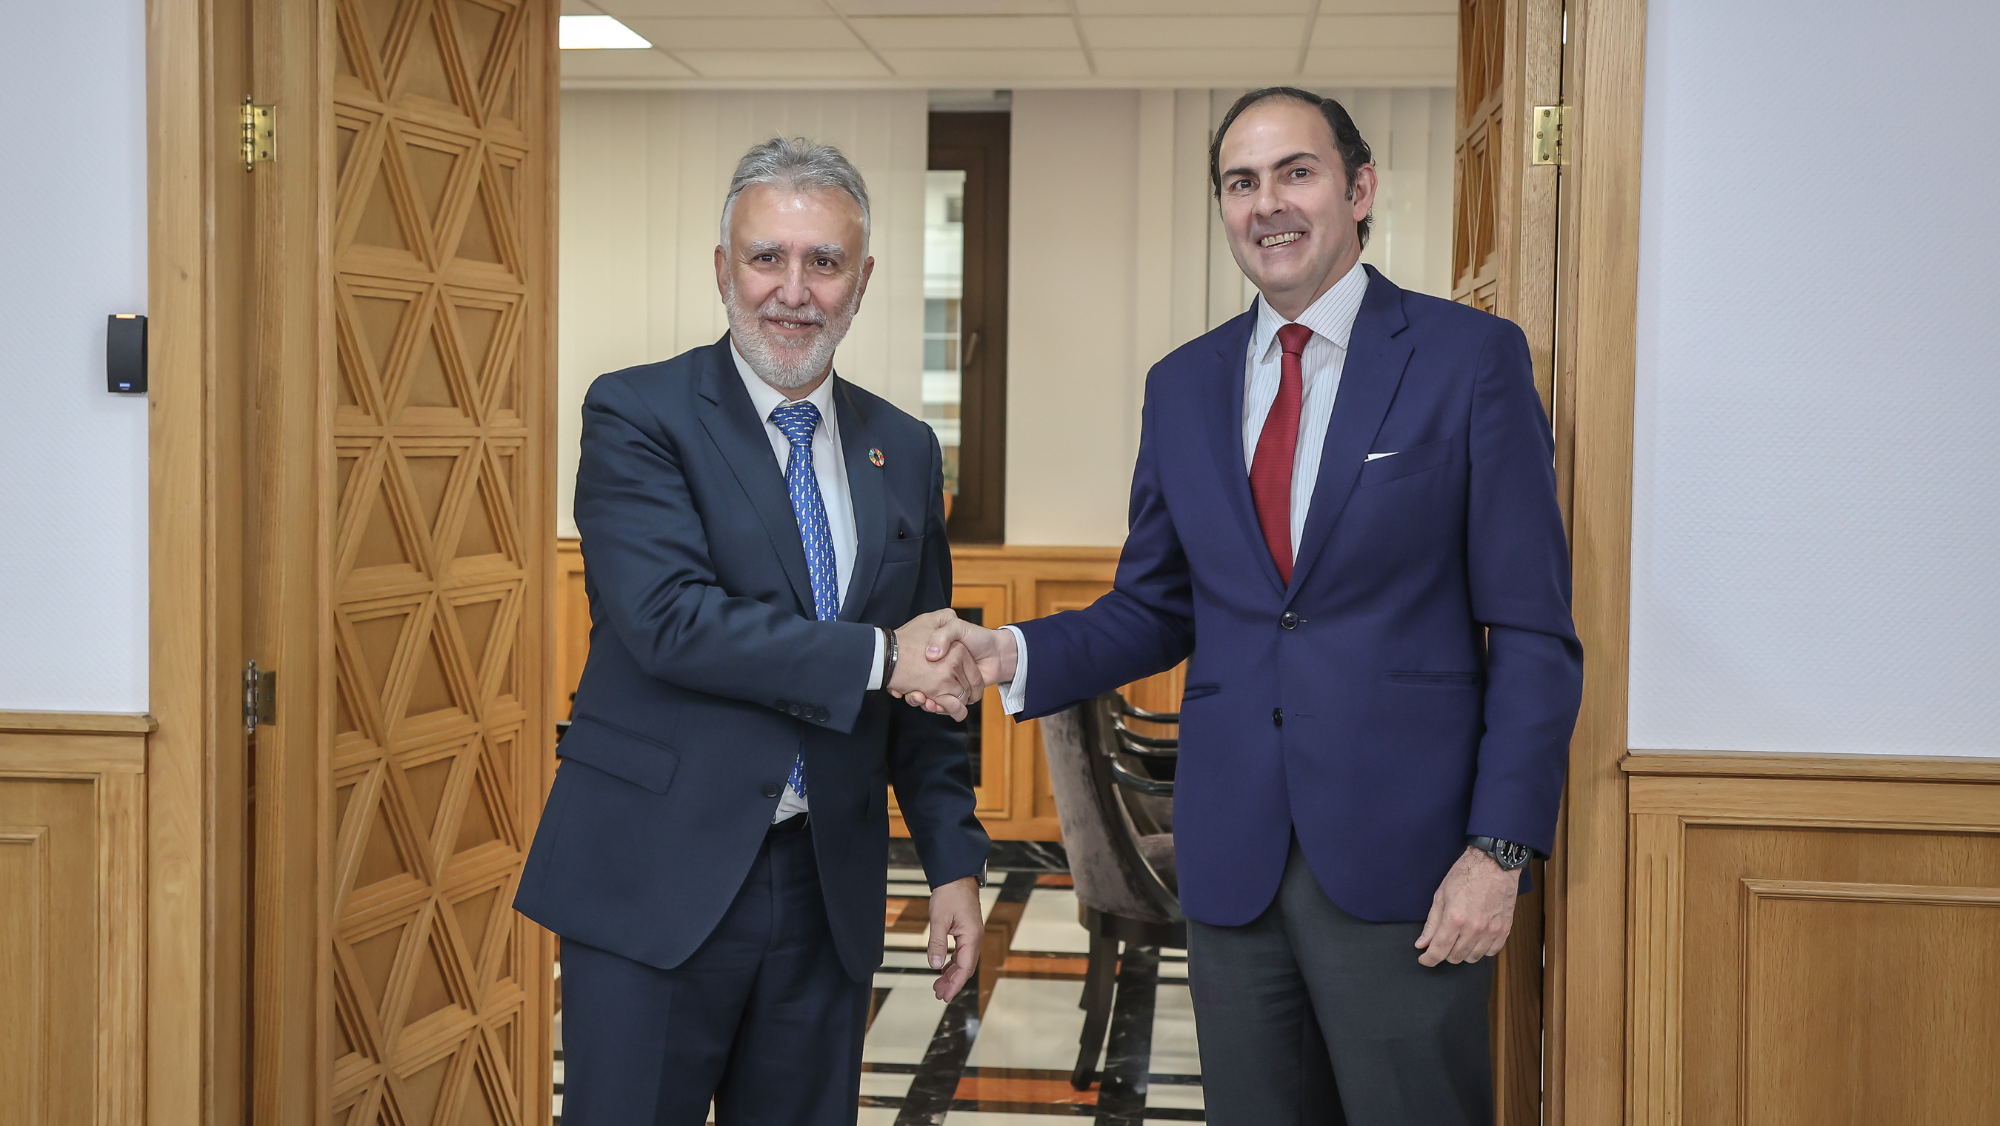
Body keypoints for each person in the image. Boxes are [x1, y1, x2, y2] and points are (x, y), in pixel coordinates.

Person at [902, 88, 1584, 1125]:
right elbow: (1154, 608)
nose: (1266, 202)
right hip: (1234, 866)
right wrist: (1003, 649)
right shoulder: (1182, 385)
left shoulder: (1466, 361)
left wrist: (1498, 851)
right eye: (1238, 181)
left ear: (1357, 189)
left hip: (1410, 865)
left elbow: (1532, 633)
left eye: (1294, 172)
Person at [515, 137, 991, 1126]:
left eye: (823, 262)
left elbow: (929, 675)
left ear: (862, 282)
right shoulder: (637, 411)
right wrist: (876, 655)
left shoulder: (900, 448)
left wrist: (953, 858)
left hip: (827, 892)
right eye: (766, 257)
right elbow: (668, 620)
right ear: (721, 269)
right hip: (656, 878)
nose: (792, 289)